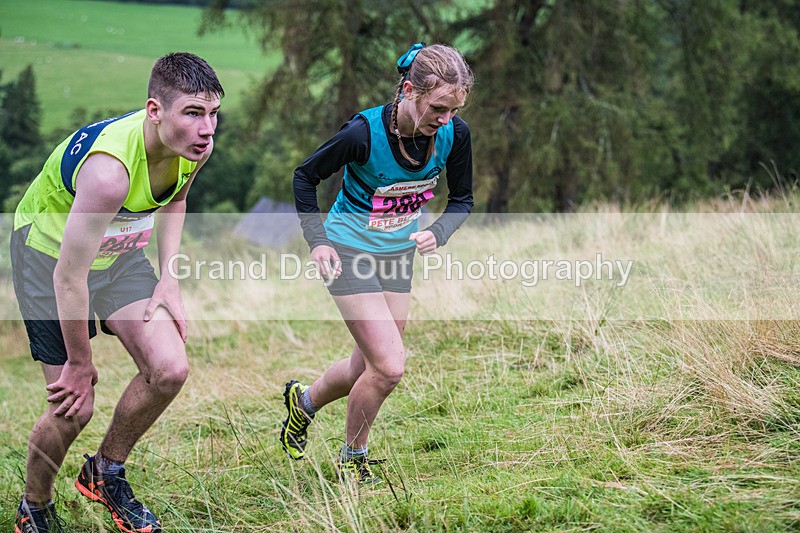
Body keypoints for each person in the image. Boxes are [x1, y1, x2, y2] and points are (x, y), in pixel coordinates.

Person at [11, 52, 223, 533]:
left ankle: (105, 471)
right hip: (49, 260)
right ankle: (35, 506)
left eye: (212, 113)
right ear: (155, 110)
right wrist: (81, 365)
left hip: (120, 253)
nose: (207, 128)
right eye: (193, 113)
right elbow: (68, 278)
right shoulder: (109, 174)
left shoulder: (194, 147)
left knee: (169, 369)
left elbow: (177, 199)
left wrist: (169, 274)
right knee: (73, 406)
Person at [282, 43, 474, 485]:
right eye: (438, 108)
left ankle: (304, 403)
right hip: (347, 250)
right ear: (409, 90)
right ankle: (353, 460)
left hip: (397, 254)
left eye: (454, 109)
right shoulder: (361, 134)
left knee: (368, 365)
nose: (445, 120)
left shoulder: (455, 134)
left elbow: (463, 199)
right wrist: (317, 242)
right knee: (388, 366)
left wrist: (439, 232)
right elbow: (304, 177)